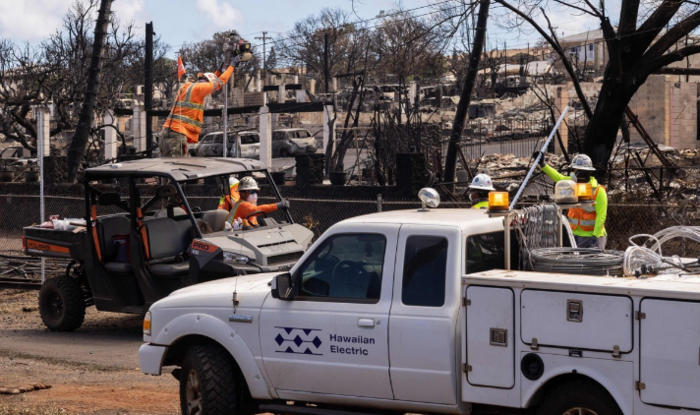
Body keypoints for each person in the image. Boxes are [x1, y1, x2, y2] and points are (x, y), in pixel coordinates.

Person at [159, 52, 243, 157]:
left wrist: (218, 69)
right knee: (177, 168)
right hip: (176, 135)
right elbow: (220, 83)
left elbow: (211, 80)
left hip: (166, 133)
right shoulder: (199, 89)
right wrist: (232, 66)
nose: (210, 91)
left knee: (165, 167)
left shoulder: (188, 87)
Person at [535, 152, 608, 250]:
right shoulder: (572, 185)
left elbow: (601, 216)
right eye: (573, 170)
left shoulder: (598, 191)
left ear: (585, 172)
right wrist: (543, 165)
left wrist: (595, 238)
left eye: (576, 171)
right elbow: (558, 177)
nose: (574, 174)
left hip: (592, 236)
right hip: (574, 235)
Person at [224, 177, 290, 229]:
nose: (254, 194)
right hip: (232, 235)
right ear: (242, 194)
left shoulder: (246, 203)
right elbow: (257, 210)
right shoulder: (243, 205)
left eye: (255, 191)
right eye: (252, 191)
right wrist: (278, 205)